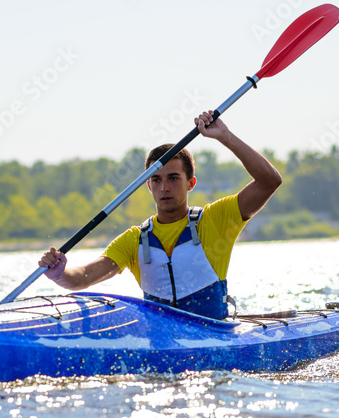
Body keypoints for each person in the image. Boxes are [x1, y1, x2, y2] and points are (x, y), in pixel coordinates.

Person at [38, 110, 282, 319]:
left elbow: (269, 181)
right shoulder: (133, 241)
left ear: (191, 183)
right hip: (161, 344)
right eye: (156, 179)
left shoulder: (216, 219)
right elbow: (82, 279)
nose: (164, 187)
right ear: (148, 185)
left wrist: (225, 137)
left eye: (173, 178)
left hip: (214, 338)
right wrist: (59, 273)